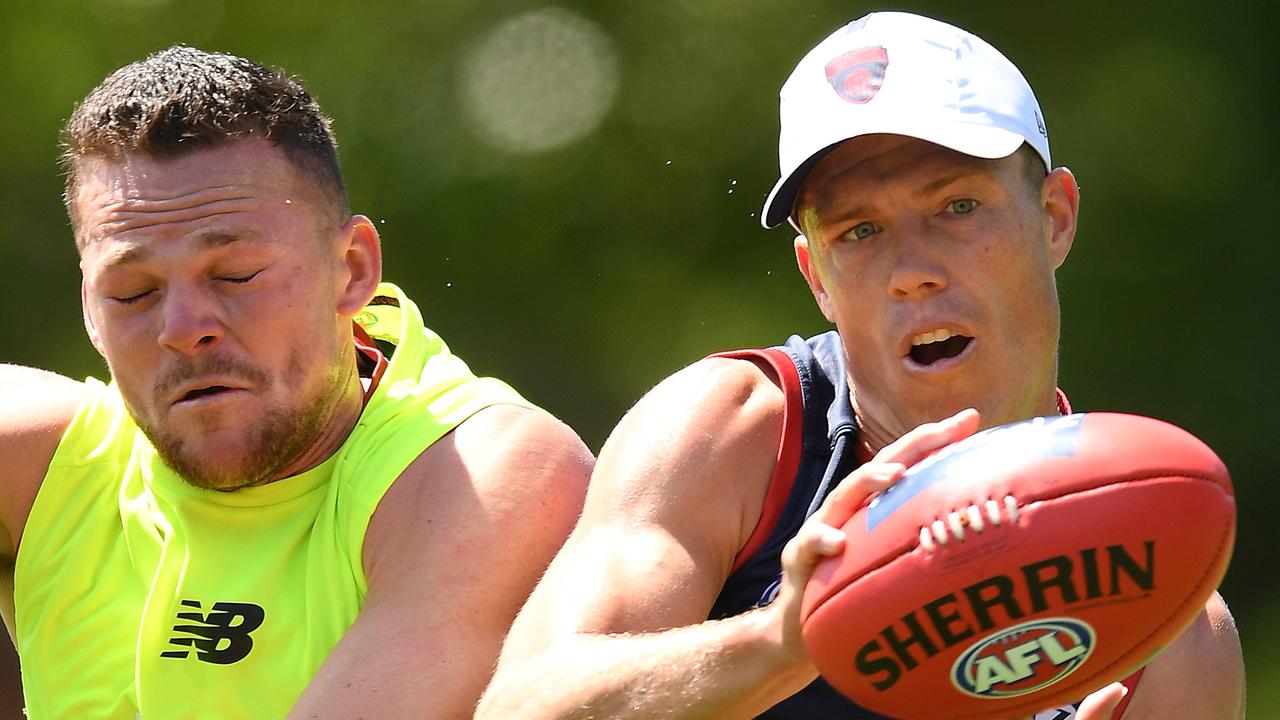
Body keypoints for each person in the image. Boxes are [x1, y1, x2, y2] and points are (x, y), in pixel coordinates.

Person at [477, 11, 1244, 720]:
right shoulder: (740, 435)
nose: (913, 270)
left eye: (957, 207)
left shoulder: (1164, 602)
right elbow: (519, 708)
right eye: (860, 231)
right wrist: (781, 643)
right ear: (816, 278)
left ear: (1054, 218)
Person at [0, 46, 592, 719]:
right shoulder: (39, 462)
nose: (184, 328)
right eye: (132, 292)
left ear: (352, 269)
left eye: (236, 276)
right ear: (89, 311)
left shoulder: (479, 476)